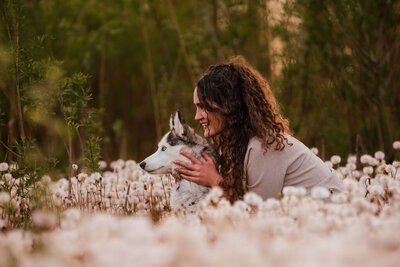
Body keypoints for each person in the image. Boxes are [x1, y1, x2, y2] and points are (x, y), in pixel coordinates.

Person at [173, 56, 343, 202]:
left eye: (203, 107)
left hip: (335, 224)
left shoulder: (262, 147)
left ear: (226, 106)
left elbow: (259, 215)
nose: (197, 116)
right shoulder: (242, 145)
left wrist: (214, 181)